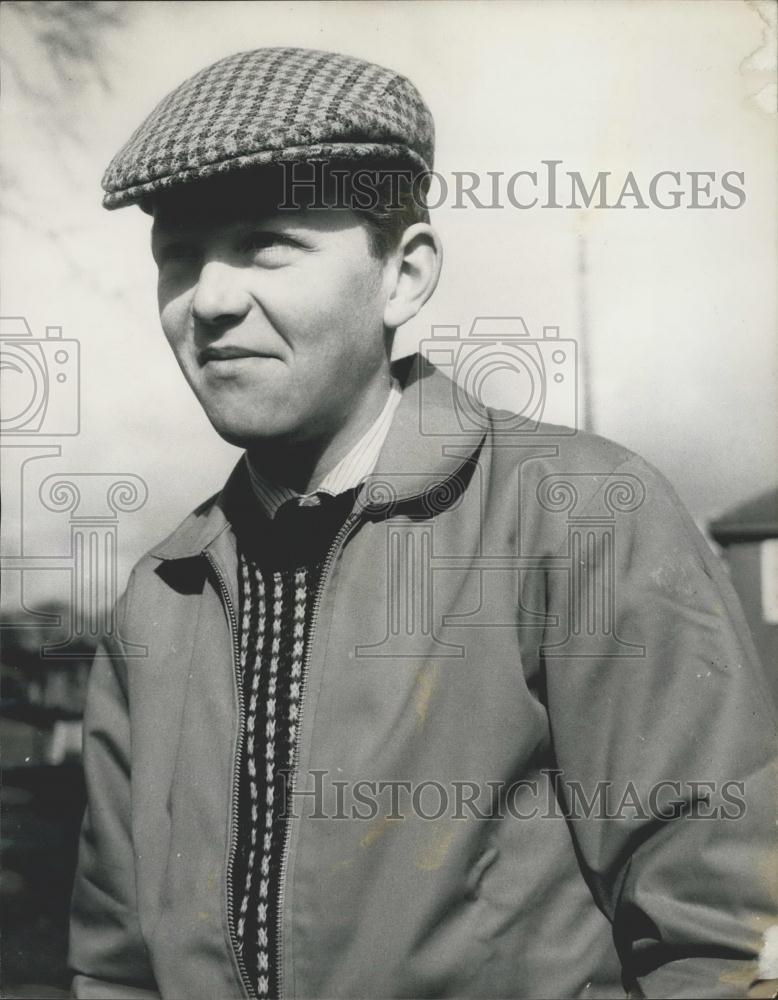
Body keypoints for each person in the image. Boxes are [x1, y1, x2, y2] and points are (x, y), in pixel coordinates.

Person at [69, 47, 777, 1000]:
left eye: (268, 241)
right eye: (179, 257)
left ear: (403, 277)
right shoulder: (161, 594)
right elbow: (113, 964)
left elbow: (723, 932)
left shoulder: (582, 517)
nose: (212, 299)